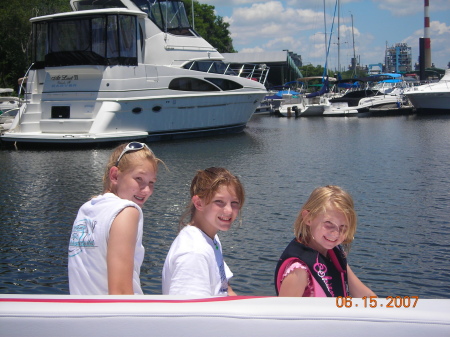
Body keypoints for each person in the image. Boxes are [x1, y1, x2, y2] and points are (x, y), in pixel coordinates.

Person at [68, 142, 162, 295]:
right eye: (139, 178)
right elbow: (120, 293)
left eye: (151, 182)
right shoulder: (126, 211)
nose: (146, 190)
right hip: (116, 316)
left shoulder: (86, 210)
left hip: (83, 314)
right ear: (114, 175)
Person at [274, 185, 376, 298]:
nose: (336, 233)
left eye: (343, 227)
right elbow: (284, 314)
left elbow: (365, 295)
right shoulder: (299, 271)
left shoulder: (334, 253)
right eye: (329, 224)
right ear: (308, 218)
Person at [162, 167, 244, 296]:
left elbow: (226, 289)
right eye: (219, 202)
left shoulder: (211, 239)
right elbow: (190, 312)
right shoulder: (194, 253)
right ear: (198, 203)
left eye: (234, 203)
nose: (229, 210)